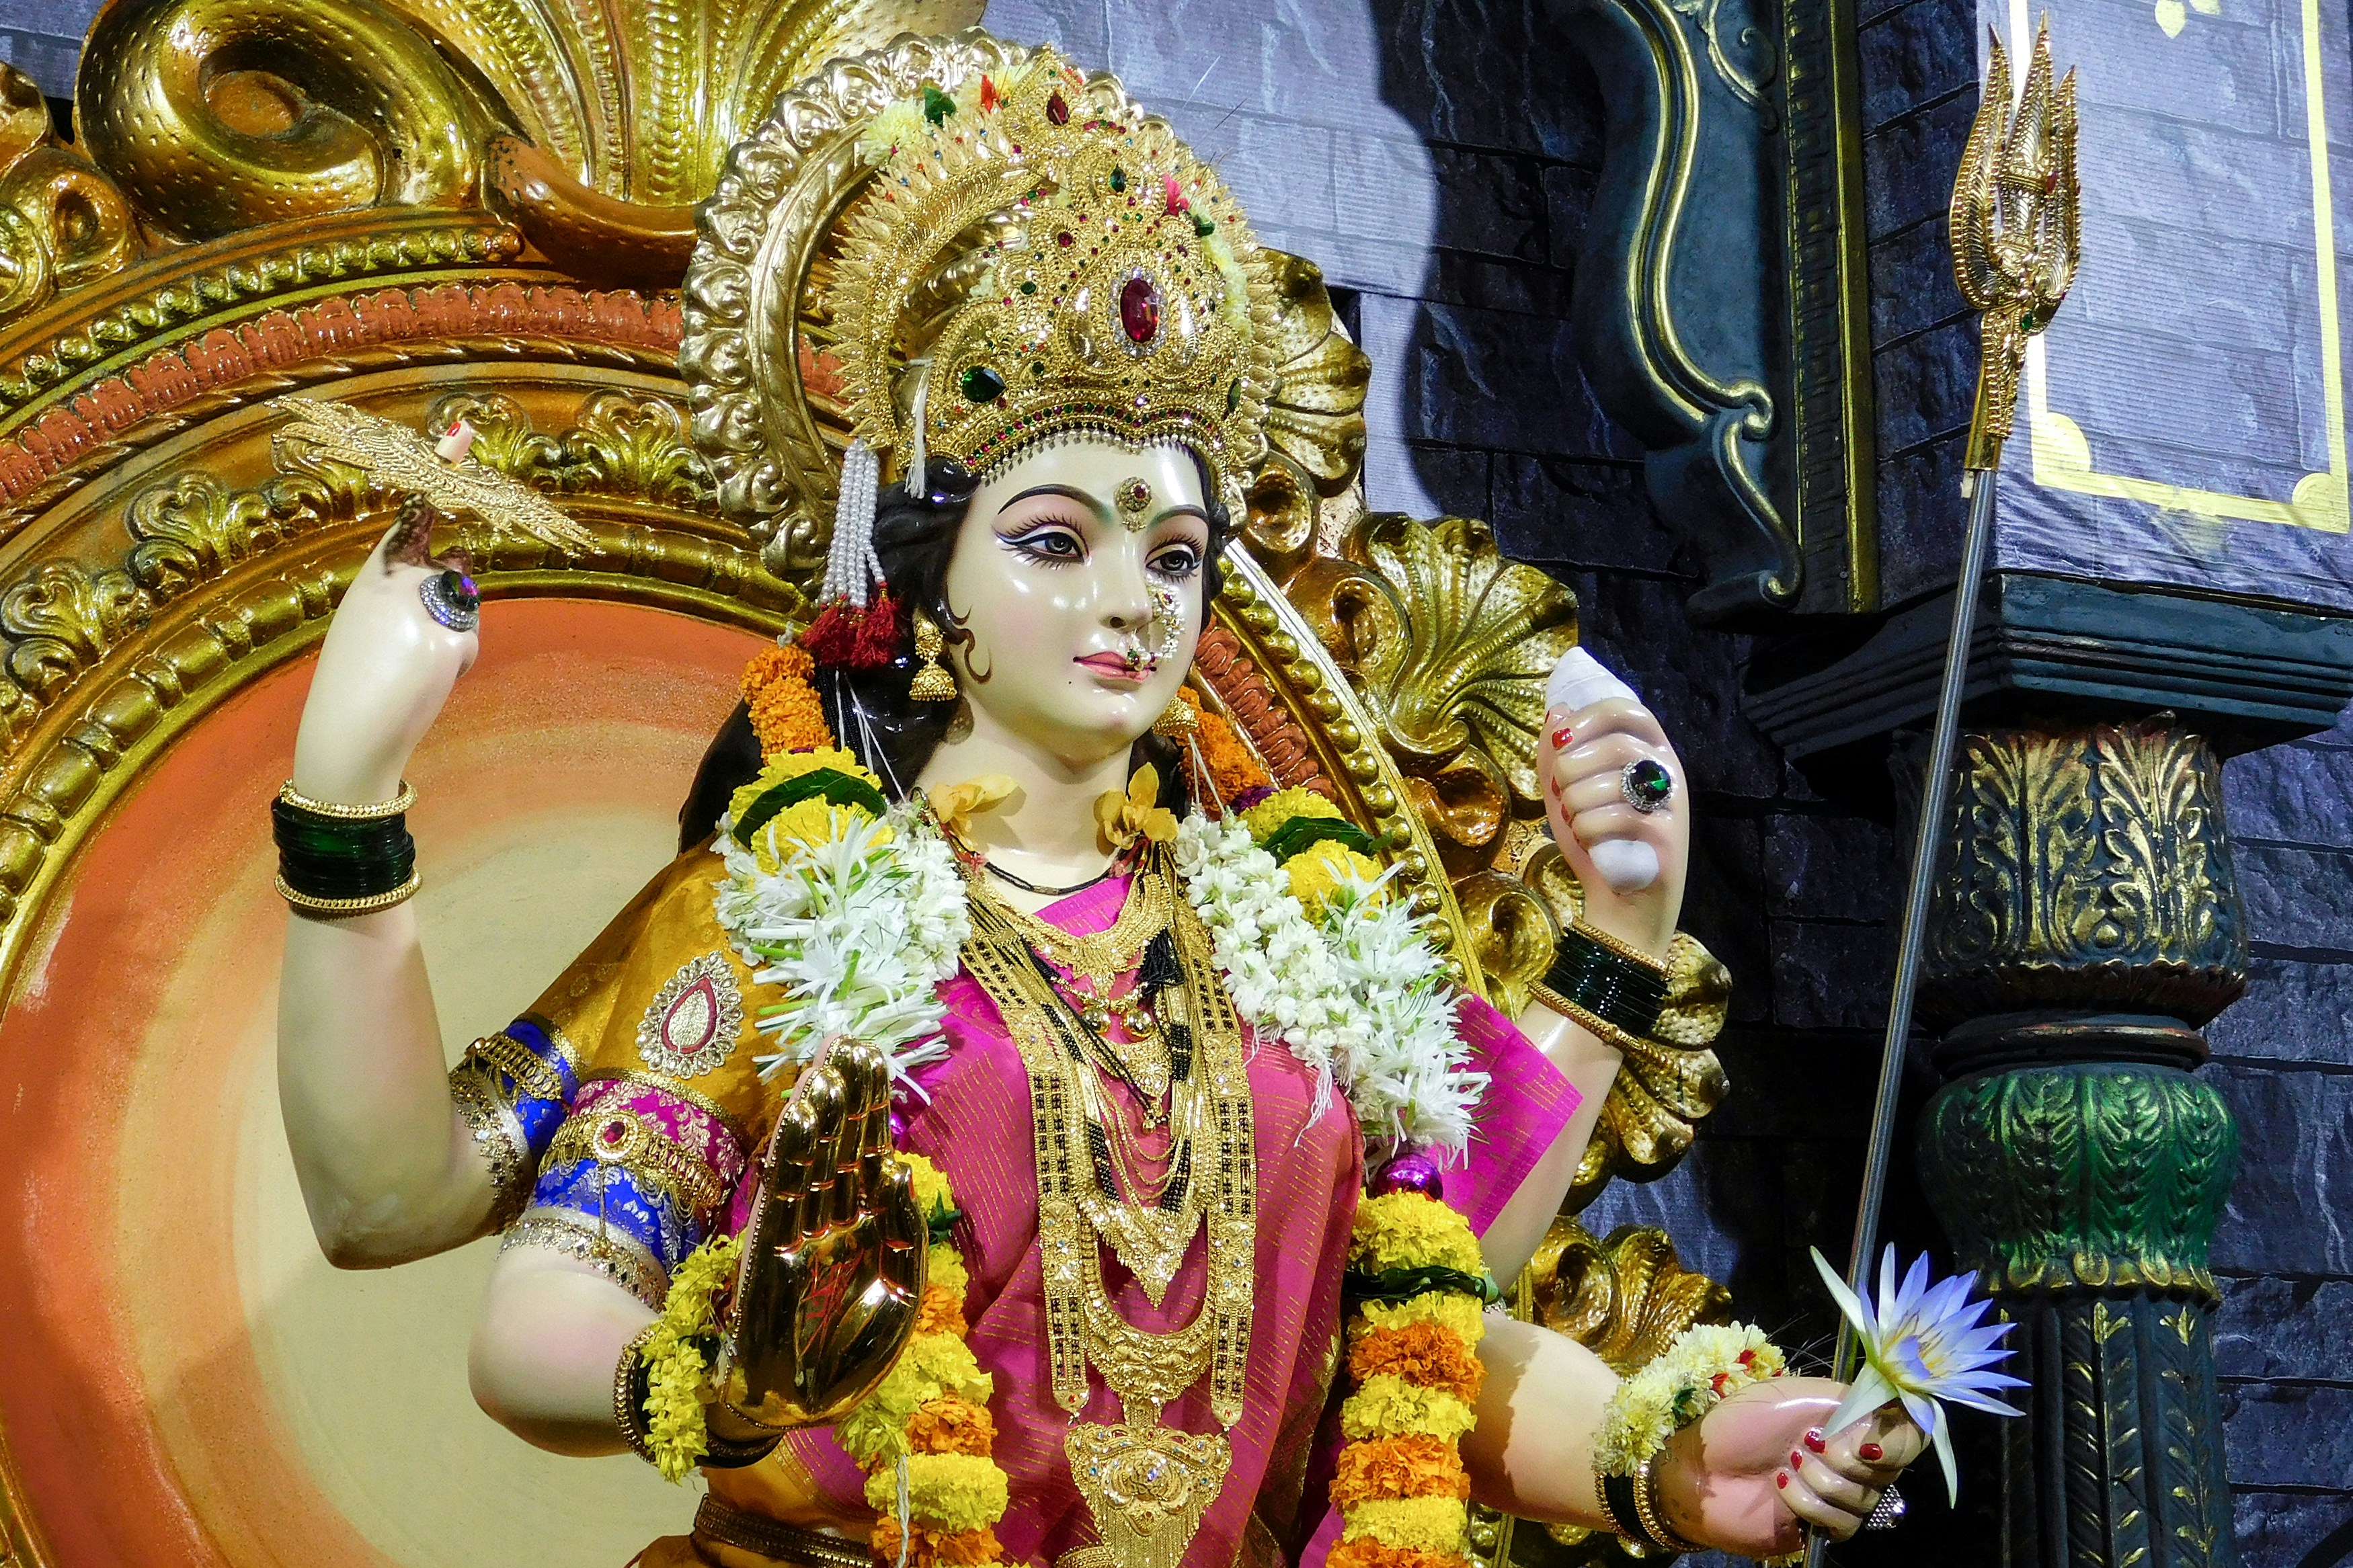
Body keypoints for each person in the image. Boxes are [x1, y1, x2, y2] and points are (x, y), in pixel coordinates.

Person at [271, 39, 1923, 1568]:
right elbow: (508, 1293)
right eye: (1059, 542)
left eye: (1180, 556)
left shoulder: (1288, 942)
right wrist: (723, 1365)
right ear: (921, 584)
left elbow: (1410, 1314)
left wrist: (1665, 1453)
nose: (1136, 600)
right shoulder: (786, 915)